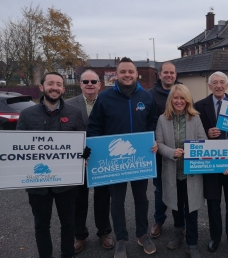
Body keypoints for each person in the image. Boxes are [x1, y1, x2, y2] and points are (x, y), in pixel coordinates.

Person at [87, 57, 158, 258]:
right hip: (114, 161)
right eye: (123, 72)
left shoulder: (146, 97)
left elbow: (153, 121)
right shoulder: (105, 97)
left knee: (141, 199)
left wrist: (153, 139)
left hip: (140, 160)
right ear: (116, 75)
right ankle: (121, 238)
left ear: (137, 74)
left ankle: (143, 234)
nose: (127, 75)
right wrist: (97, 149)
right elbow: (94, 126)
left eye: (131, 72)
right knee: (116, 201)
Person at [16, 72, 88, 258]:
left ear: (63, 89)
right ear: (42, 87)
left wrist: (84, 152)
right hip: (37, 184)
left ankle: (67, 254)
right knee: (41, 225)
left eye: (58, 84)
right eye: (50, 83)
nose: (54, 87)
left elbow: (82, 140)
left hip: (66, 183)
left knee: (68, 223)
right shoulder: (27, 115)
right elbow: (18, 148)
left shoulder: (73, 113)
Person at [194, 71, 228, 253]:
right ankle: (215, 237)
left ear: (227, 85)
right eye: (215, 82)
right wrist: (207, 135)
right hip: (211, 161)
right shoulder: (199, 106)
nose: (218, 85)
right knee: (213, 203)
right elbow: (195, 134)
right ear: (209, 86)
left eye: (222, 82)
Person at [156, 84, 207, 258]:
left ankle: (192, 244)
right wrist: (172, 152)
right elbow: (159, 143)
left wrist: (193, 150)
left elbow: (203, 141)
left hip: (191, 174)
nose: (179, 101)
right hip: (172, 171)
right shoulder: (163, 119)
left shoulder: (195, 118)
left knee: (191, 209)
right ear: (171, 100)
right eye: (176, 98)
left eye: (182, 98)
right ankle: (178, 234)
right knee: (176, 207)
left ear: (187, 100)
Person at [65, 70, 113, 253]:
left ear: (100, 84)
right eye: (86, 81)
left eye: (94, 81)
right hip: (78, 160)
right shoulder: (69, 105)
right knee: (79, 199)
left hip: (102, 159)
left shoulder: (109, 102)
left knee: (103, 197)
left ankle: (104, 232)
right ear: (80, 84)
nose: (90, 84)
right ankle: (80, 235)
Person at [149, 61, 179, 238]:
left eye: (172, 73)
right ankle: (159, 220)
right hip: (158, 149)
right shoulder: (149, 95)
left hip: (179, 149)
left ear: (176, 75)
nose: (169, 75)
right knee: (160, 188)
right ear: (159, 75)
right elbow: (147, 121)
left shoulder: (182, 91)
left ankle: (179, 222)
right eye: (165, 72)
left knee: (180, 187)